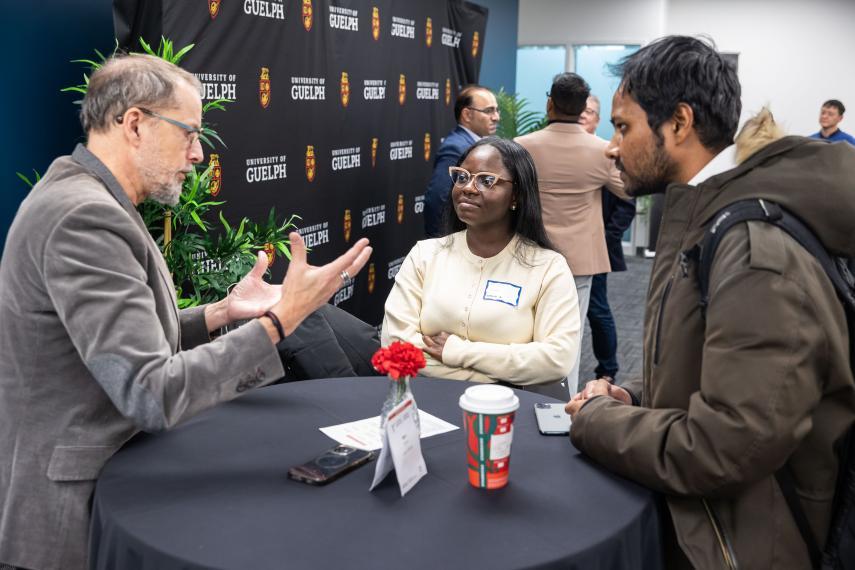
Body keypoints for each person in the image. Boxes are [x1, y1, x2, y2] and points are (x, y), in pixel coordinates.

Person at [0, 54, 372, 570]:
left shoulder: (88, 196)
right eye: (189, 133)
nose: (198, 154)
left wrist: (221, 312)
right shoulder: (84, 216)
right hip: (75, 511)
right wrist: (279, 321)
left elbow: (114, 346)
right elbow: (151, 391)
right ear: (134, 124)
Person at [565, 35, 855, 569]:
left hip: (744, 546)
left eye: (623, 126)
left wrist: (597, 421)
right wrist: (635, 395)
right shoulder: (710, 218)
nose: (611, 145)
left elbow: (727, 445)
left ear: (678, 123)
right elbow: (714, 370)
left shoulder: (752, 249)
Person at [383, 137, 579, 386]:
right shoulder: (426, 254)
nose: (468, 188)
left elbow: (556, 360)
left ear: (516, 195)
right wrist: (493, 374)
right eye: (463, 177)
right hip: (427, 399)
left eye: (486, 180)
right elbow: (395, 343)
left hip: (507, 409)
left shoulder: (548, 267)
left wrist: (455, 351)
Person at [515, 73, 626, 395]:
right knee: (569, 338)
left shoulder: (521, 147)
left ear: (550, 102)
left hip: (529, 254)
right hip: (579, 262)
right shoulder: (602, 151)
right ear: (582, 109)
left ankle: (520, 398)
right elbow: (628, 190)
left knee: (524, 332)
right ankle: (562, 408)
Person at [578, 95, 636, 382]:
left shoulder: (607, 153)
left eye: (589, 112)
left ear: (597, 120)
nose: (583, 116)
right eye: (580, 110)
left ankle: (608, 370)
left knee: (597, 310)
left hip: (595, 248)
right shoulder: (562, 151)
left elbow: (627, 203)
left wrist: (606, 238)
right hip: (561, 248)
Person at [423, 85, 499, 237]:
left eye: (497, 110)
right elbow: (438, 198)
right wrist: (444, 241)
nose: (496, 117)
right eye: (489, 111)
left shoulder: (477, 145)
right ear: (467, 115)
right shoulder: (456, 148)